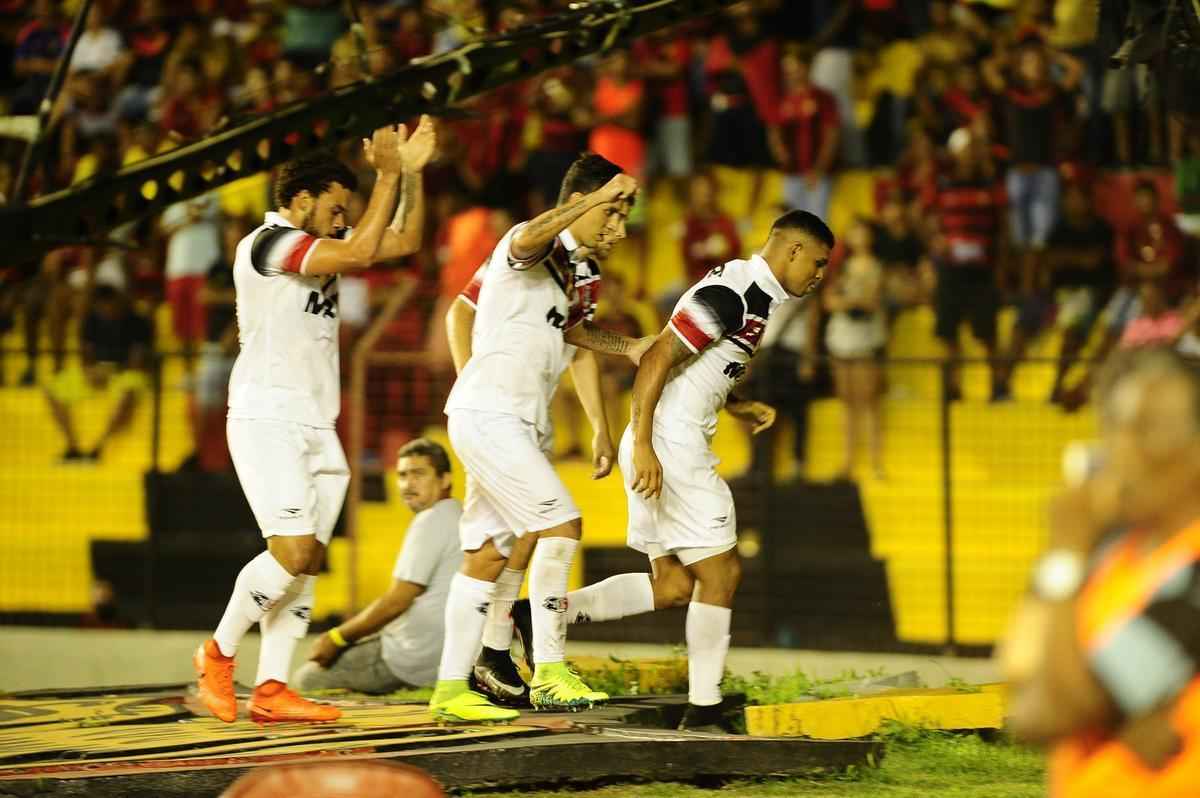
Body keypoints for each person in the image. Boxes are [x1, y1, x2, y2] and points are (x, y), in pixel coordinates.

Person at [192, 117, 436, 725]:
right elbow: (358, 250)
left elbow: (403, 242)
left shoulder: (320, 240)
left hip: (315, 422)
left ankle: (272, 688)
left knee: (308, 566)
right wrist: (384, 174)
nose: (341, 216)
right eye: (334, 206)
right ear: (300, 201)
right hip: (266, 415)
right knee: (293, 553)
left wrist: (410, 175)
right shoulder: (269, 244)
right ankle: (218, 653)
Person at [431, 153, 648, 722]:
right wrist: (594, 199)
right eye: (614, 213)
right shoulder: (529, 244)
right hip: (493, 415)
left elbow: (575, 339)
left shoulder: (582, 271)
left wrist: (604, 419)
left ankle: (456, 686)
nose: (618, 228)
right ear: (584, 202)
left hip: (523, 421)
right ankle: (550, 670)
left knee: (487, 555)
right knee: (561, 526)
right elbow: (523, 242)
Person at [624, 210, 832, 730]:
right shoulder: (736, 295)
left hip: (667, 437)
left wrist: (735, 402)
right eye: (818, 263)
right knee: (722, 573)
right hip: (671, 444)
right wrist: (646, 444)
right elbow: (655, 359)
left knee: (671, 586)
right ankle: (705, 709)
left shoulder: (754, 296)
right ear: (791, 251)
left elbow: (702, 363)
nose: (820, 275)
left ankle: (537, 618)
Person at [1001, 347, 1200, 797]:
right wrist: (1063, 562)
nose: (1120, 450)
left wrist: (1067, 551)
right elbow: (1022, 691)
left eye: (1146, 430)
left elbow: (1052, 711)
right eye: (1115, 428)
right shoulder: (1114, 556)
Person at [294, 439, 463, 694]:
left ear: (445, 479)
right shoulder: (458, 515)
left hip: (411, 657)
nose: (408, 484)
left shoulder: (431, 519)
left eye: (419, 474)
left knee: (307, 679)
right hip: (449, 655)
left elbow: (398, 599)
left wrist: (337, 637)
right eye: (402, 475)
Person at [996, 182, 1116, 403]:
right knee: (1021, 324)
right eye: (1070, 198)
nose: (1075, 203)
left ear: (1089, 201)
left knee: (1073, 329)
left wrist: (1067, 259)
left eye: (1079, 197)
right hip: (1052, 295)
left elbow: (1099, 262)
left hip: (1086, 294)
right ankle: (1002, 385)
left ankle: (1057, 385)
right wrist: (1078, 259)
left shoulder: (1101, 229)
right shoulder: (1058, 229)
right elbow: (1048, 260)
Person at [928, 127, 1006, 401]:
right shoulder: (943, 184)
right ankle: (952, 388)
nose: (971, 155)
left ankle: (998, 387)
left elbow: (1003, 228)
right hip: (950, 269)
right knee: (947, 331)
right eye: (966, 149)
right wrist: (934, 239)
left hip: (982, 269)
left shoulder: (991, 184)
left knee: (988, 333)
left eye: (975, 149)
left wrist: (1000, 267)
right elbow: (928, 219)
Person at [43, 285, 153, 463]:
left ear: (119, 302)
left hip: (125, 372)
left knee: (129, 392)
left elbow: (138, 360)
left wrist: (112, 371)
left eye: (109, 305)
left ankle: (99, 447)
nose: (106, 310)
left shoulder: (138, 322)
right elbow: (86, 354)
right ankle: (72, 446)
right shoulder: (91, 320)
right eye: (102, 306)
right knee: (52, 389)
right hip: (97, 371)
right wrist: (90, 372)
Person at [823, 219, 886, 480]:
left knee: (868, 400)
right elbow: (829, 300)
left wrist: (850, 301)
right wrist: (847, 301)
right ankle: (848, 460)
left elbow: (871, 301)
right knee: (847, 401)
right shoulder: (841, 267)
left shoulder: (876, 267)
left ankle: (875, 461)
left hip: (865, 338)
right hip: (843, 337)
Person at [770, 46, 840, 220]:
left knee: (816, 225)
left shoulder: (823, 98)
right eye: (786, 69)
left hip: (817, 174)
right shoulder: (782, 99)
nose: (790, 73)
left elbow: (831, 136)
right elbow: (774, 130)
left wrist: (819, 169)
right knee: (791, 224)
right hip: (792, 173)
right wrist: (781, 154)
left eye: (794, 68)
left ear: (806, 67)